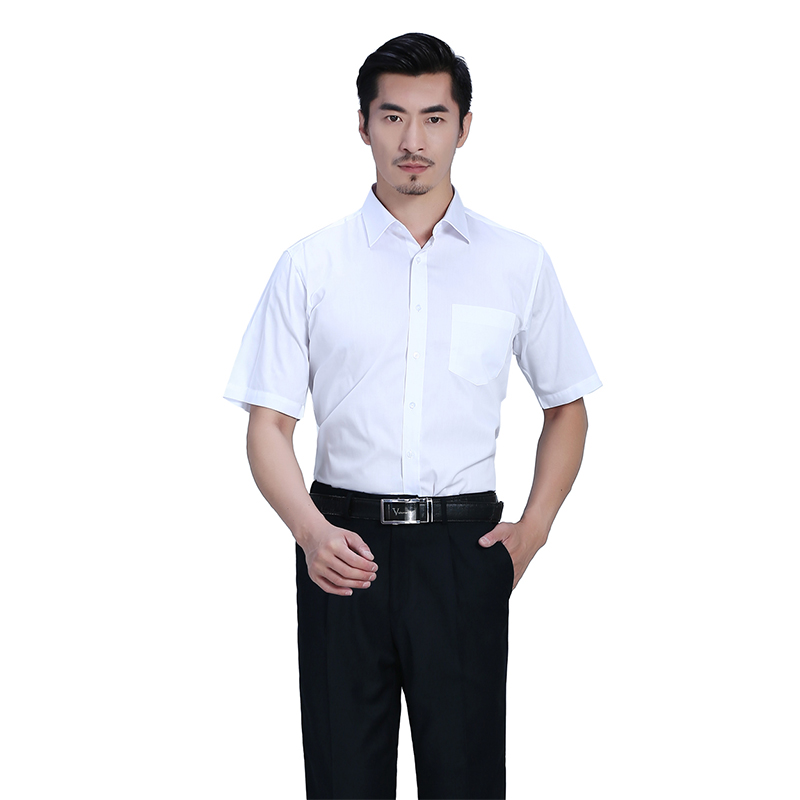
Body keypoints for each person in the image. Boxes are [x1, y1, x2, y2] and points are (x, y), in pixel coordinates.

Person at [225, 32, 601, 800]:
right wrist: (309, 532)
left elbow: (566, 406)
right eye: (393, 116)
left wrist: (533, 530)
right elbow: (268, 425)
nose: (412, 140)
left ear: (465, 127)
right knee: (343, 781)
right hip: (340, 543)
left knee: (466, 781)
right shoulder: (310, 265)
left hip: (463, 551)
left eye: (434, 117)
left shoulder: (517, 263)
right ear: (363, 125)